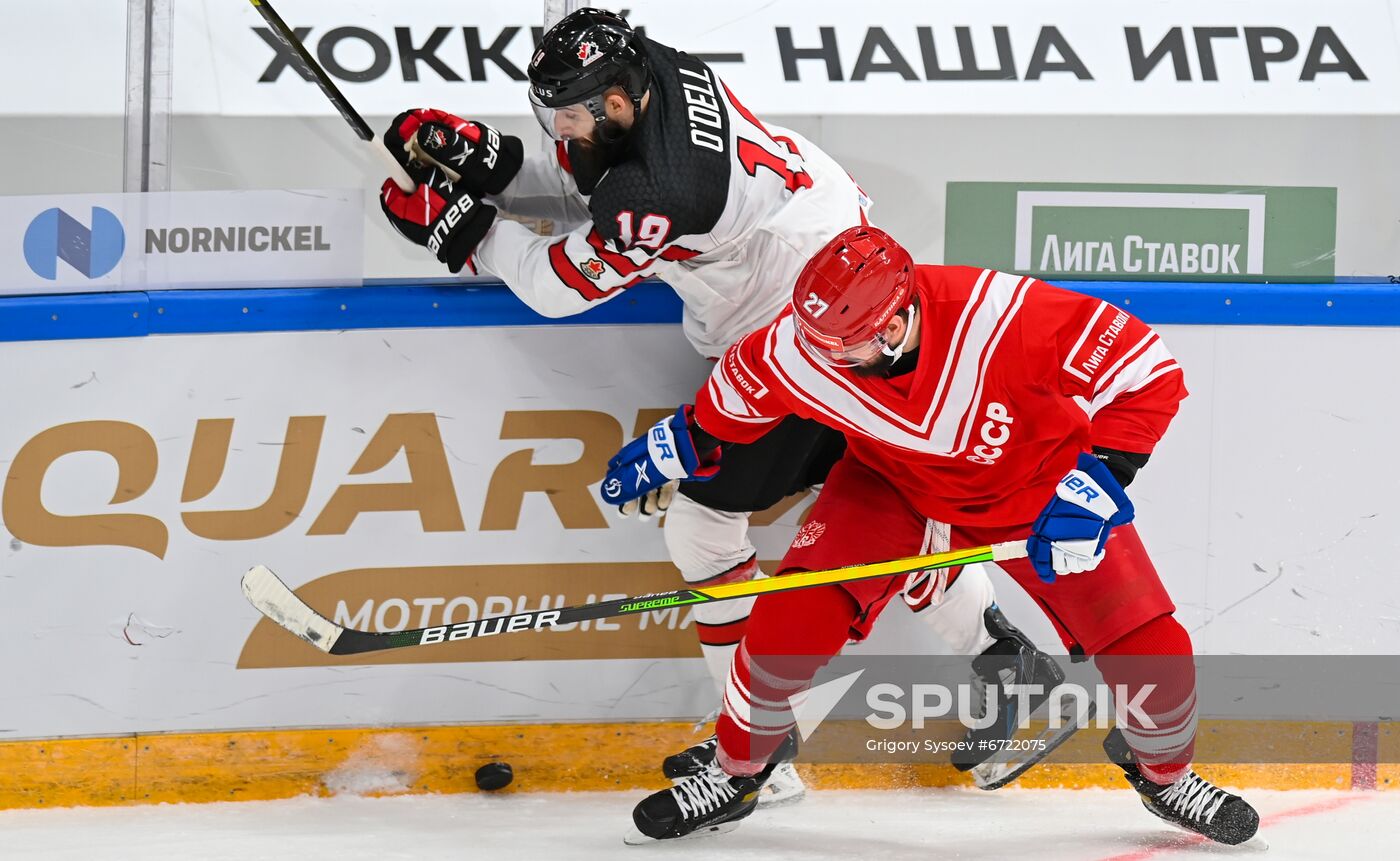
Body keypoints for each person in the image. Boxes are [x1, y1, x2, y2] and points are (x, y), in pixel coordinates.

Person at [376, 8, 1062, 801]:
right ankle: (1008, 667)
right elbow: (588, 179)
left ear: (618, 103)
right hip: (821, 281)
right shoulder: (651, 70)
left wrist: (465, 230)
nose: (559, 129)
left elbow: (556, 284)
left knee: (704, 523)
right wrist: (490, 162)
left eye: (568, 114)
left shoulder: (664, 190)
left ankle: (765, 741)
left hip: (805, 338)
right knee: (881, 502)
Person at [602, 225, 1261, 846]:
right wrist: (679, 443)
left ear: (893, 323)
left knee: (1157, 655)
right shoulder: (804, 344)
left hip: (1038, 486)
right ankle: (739, 772)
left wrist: (1098, 482)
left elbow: (1149, 370)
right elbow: (736, 399)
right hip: (889, 486)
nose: (819, 359)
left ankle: (1166, 777)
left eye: (842, 349)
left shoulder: (1000, 314)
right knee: (784, 629)